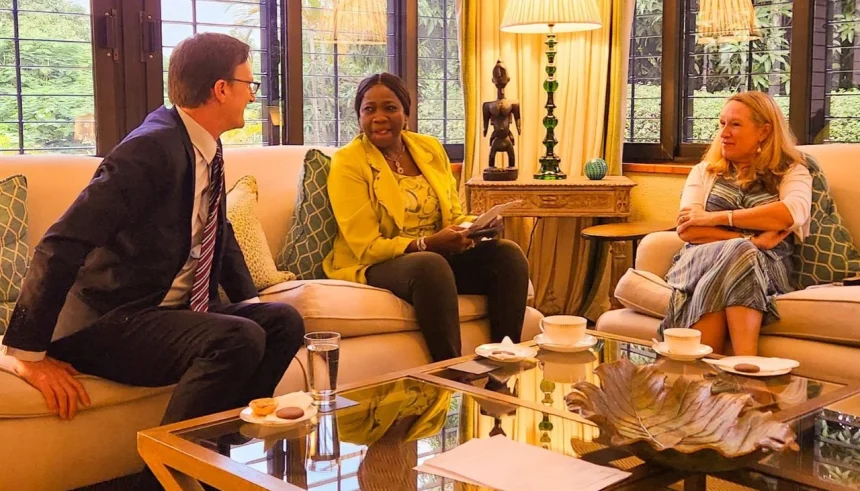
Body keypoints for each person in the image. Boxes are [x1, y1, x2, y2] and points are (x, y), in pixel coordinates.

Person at [0, 33, 304, 429]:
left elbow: (219, 231)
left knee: (282, 322)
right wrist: (26, 353)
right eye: (250, 85)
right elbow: (62, 242)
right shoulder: (149, 149)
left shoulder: (203, 145)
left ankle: (225, 454)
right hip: (110, 319)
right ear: (221, 89)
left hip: (164, 314)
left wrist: (248, 305)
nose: (252, 96)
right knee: (237, 339)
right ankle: (166, 474)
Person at [323, 72, 529, 361]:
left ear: (406, 114)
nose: (379, 117)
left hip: (436, 256)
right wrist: (426, 243)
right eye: (369, 109)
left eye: (390, 108)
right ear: (359, 116)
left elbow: (452, 214)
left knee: (507, 255)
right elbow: (366, 245)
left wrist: (476, 225)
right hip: (378, 261)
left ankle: (505, 359)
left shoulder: (428, 148)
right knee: (429, 264)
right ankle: (452, 371)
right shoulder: (348, 161)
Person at [664, 91, 812, 356]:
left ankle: (699, 374)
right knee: (741, 252)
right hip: (700, 259)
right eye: (722, 123)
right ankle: (746, 364)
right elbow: (689, 228)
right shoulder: (705, 171)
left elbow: (790, 213)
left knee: (738, 259)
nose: (724, 133)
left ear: (764, 131)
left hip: (769, 267)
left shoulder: (791, 171)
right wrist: (751, 241)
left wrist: (717, 218)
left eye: (735, 124)